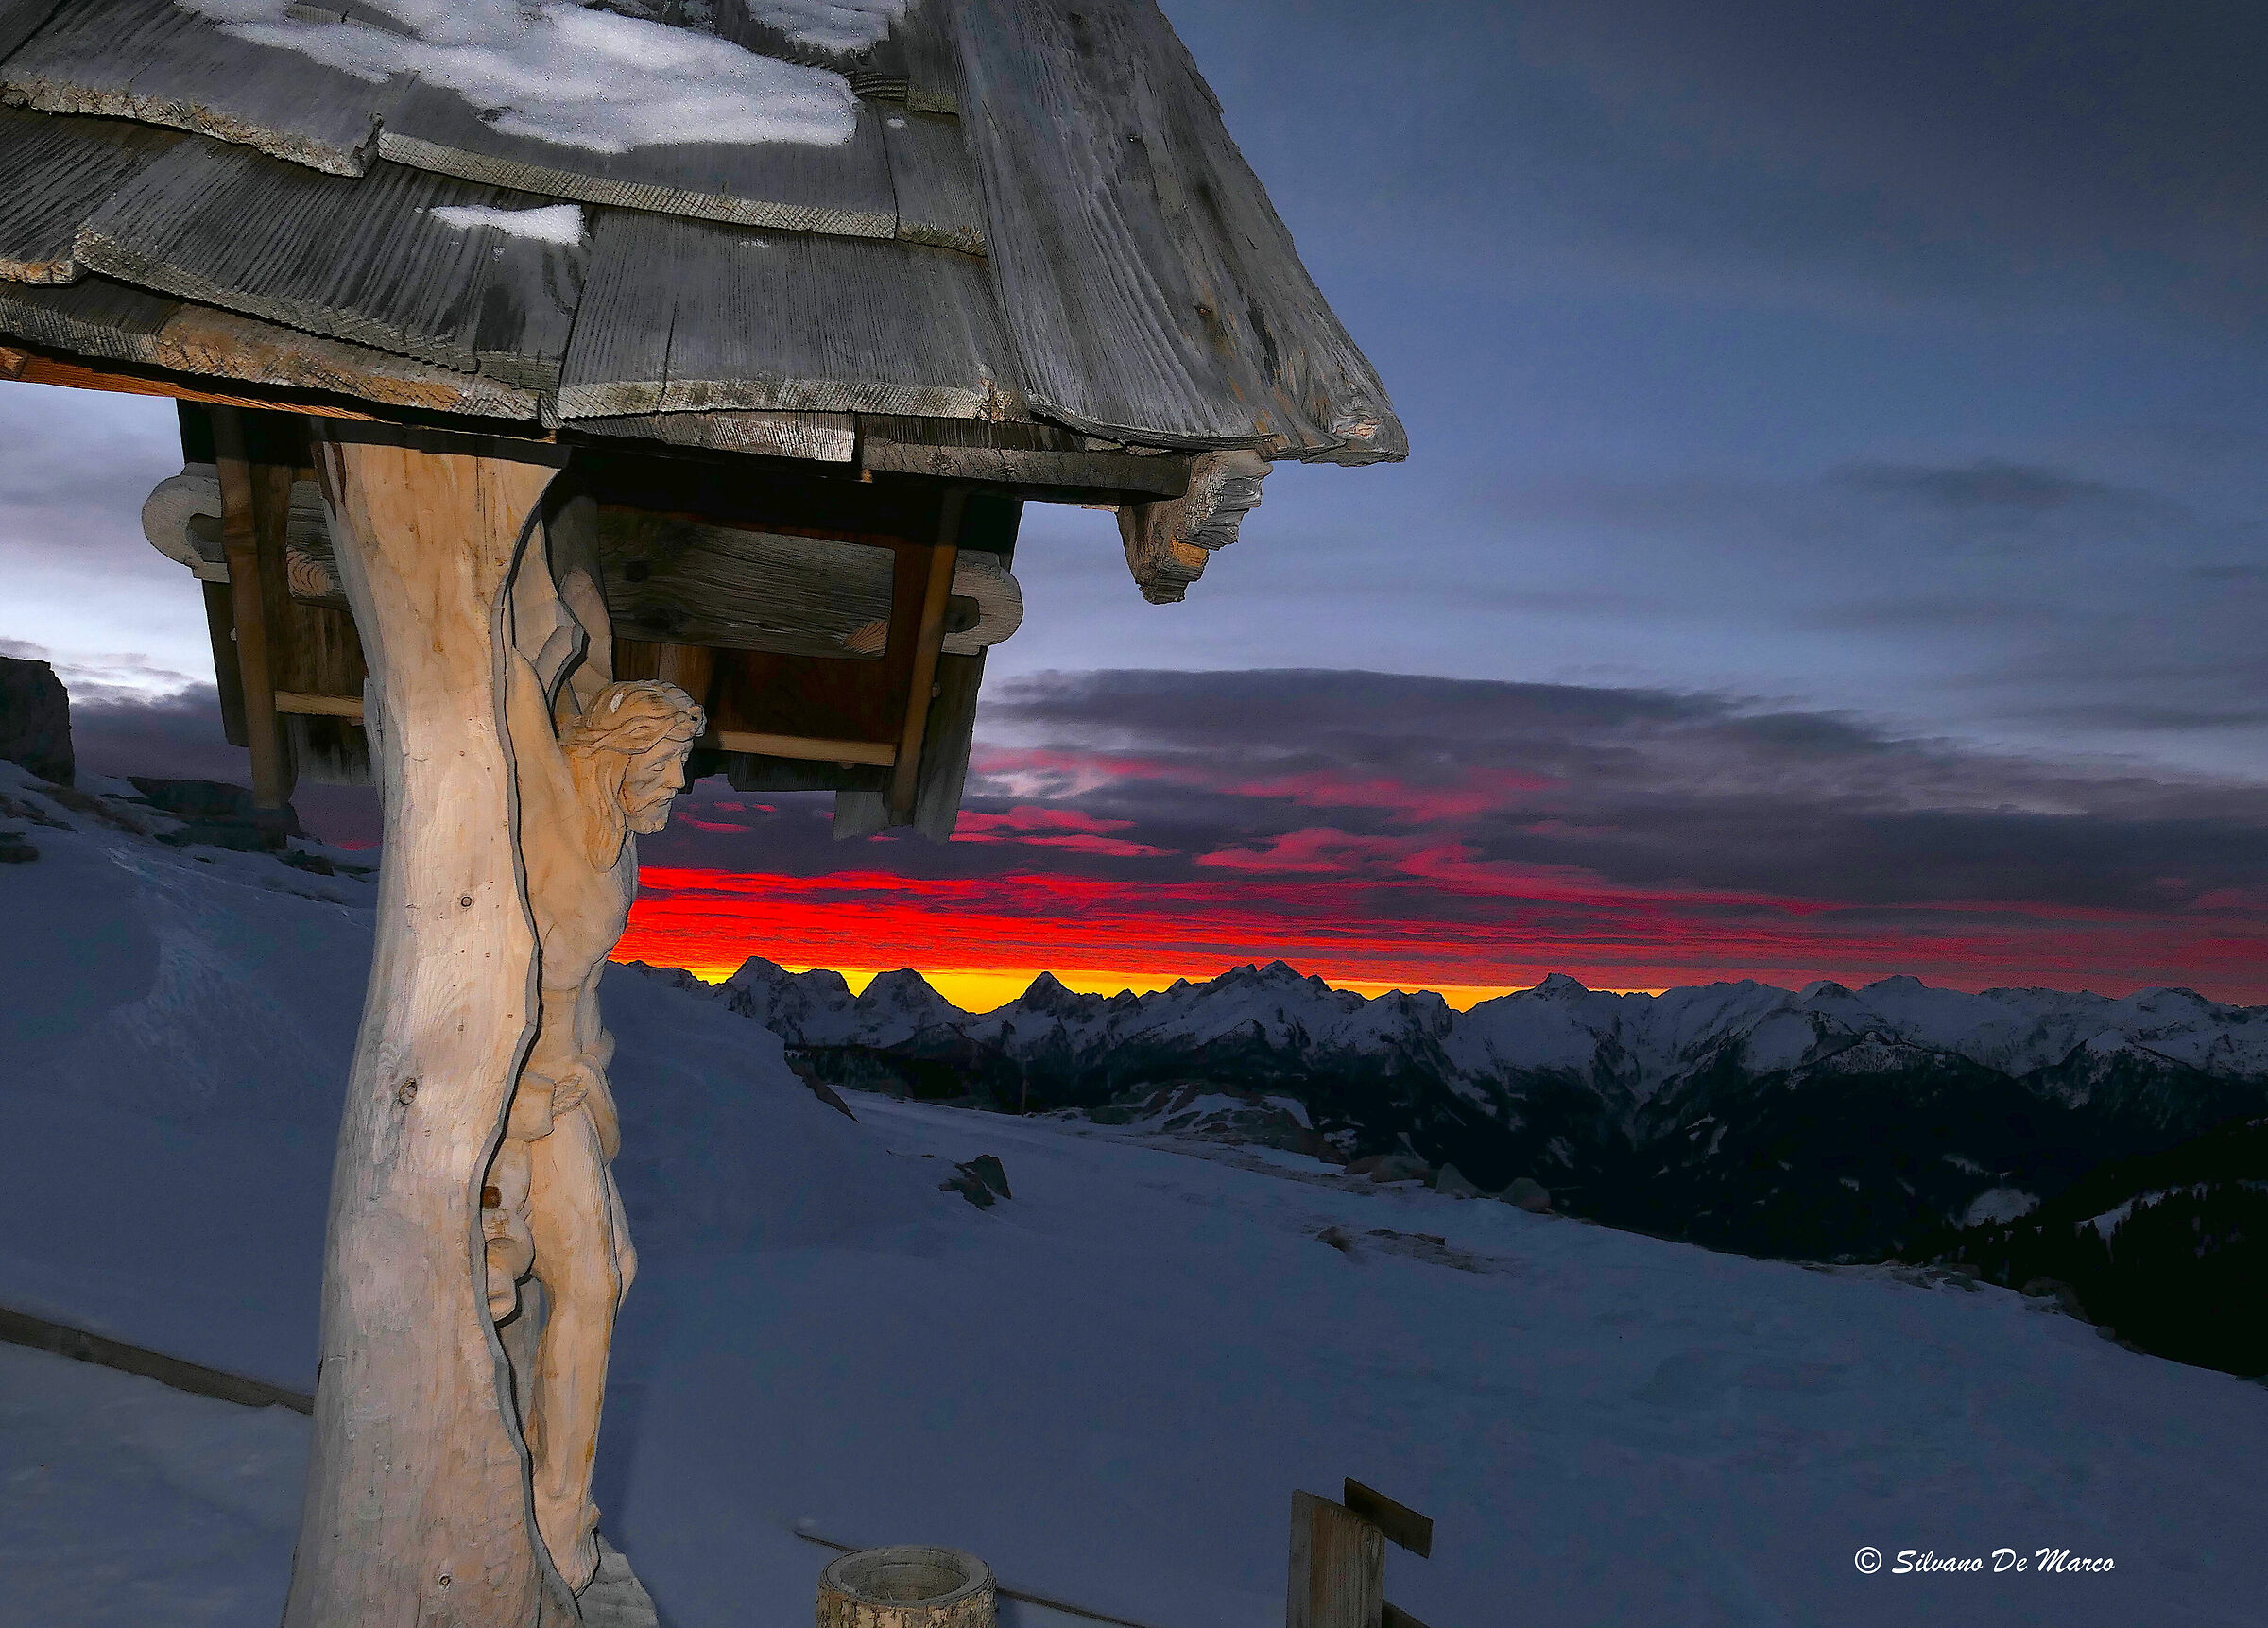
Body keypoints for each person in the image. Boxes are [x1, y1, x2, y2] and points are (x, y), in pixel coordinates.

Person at [482, 660, 702, 1593]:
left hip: (567, 1081)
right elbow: (513, 666)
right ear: (618, 752)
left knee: (612, 1273)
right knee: (590, 1277)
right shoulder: (542, 817)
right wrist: (511, 1115)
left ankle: (557, 1502)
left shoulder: (615, 837)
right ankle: (549, 1511)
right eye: (668, 760)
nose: (681, 781)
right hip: (509, 1093)